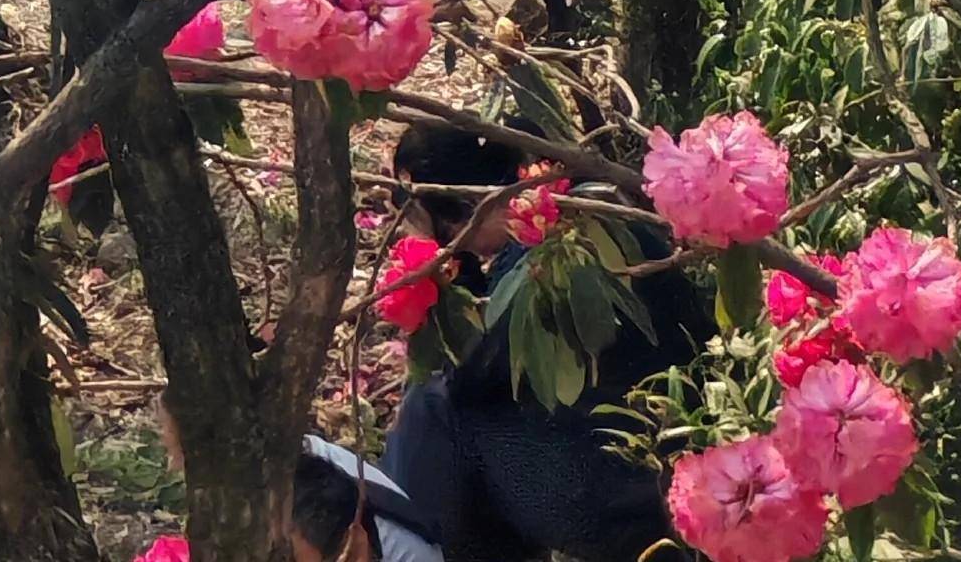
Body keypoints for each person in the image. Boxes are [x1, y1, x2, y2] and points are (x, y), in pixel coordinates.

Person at [291, 128, 706, 562]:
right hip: (662, 466)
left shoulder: (549, 257)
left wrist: (441, 260)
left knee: (436, 412)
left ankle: (416, 548)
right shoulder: (587, 203)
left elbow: (468, 373)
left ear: (462, 211)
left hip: (632, 497)